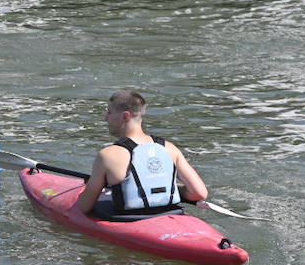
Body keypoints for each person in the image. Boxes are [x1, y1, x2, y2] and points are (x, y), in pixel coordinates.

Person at [75, 90, 209, 218]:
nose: (105, 118)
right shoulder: (169, 148)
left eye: (109, 112)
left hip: (127, 221)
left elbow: (84, 206)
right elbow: (198, 193)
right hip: (169, 215)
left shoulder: (108, 155)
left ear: (125, 116)